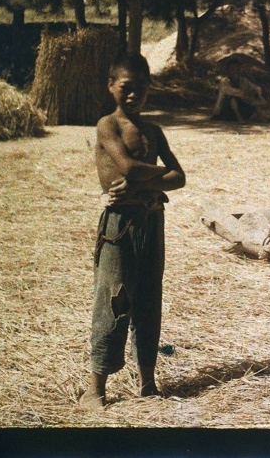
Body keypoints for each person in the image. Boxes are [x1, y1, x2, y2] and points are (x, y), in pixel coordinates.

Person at [81, 53, 186, 411]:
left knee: (148, 298)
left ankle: (147, 383)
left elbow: (181, 177)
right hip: (120, 225)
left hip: (151, 221)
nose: (133, 95)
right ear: (111, 86)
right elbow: (124, 165)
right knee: (114, 299)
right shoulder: (107, 125)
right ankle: (95, 390)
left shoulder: (154, 131)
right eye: (126, 87)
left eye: (141, 88)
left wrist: (146, 189)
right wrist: (158, 182)